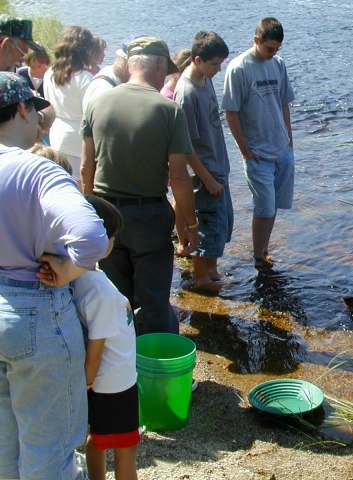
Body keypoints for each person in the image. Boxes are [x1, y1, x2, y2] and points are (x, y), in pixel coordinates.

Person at [0, 72, 108, 479]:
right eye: (36, 110)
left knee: (6, 446)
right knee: (51, 451)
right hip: (34, 311)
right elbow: (92, 237)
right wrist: (69, 270)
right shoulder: (37, 170)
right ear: (23, 108)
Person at [81, 36, 198, 335]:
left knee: (115, 298)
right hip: (149, 217)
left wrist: (88, 219)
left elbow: (86, 169)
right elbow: (179, 178)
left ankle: (120, 367)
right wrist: (189, 225)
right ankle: (159, 368)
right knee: (155, 301)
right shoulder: (169, 110)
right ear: (159, 65)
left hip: (106, 214)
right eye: (165, 70)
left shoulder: (96, 103)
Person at [73, 195, 139, 480]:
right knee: (126, 447)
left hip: (108, 381)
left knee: (98, 439)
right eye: (111, 235)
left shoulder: (84, 278)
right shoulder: (98, 289)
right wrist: (87, 381)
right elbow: (97, 343)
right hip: (113, 383)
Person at [222, 17, 295, 269]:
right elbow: (230, 112)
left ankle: (263, 249)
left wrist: (290, 141)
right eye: (269, 48)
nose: (273, 53)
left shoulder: (278, 64)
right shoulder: (239, 68)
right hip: (257, 153)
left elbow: (284, 102)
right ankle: (258, 256)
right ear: (256, 40)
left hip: (281, 149)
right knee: (264, 206)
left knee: (274, 205)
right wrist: (244, 150)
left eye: (277, 49)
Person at [174, 31, 232, 291]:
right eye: (214, 64)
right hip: (202, 172)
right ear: (197, 59)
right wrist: (207, 178)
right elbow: (185, 147)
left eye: (220, 64)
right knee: (207, 223)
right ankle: (200, 278)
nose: (218, 70)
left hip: (218, 165)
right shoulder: (186, 93)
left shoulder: (204, 79)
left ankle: (212, 269)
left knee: (222, 223)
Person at [43, 26, 98, 177]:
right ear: (85, 51)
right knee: (80, 184)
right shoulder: (85, 78)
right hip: (78, 139)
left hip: (57, 132)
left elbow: (48, 103)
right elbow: (91, 115)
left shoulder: (49, 73)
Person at [82, 37, 131, 114]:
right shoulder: (87, 78)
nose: (104, 55)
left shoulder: (101, 71)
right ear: (93, 54)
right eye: (102, 51)